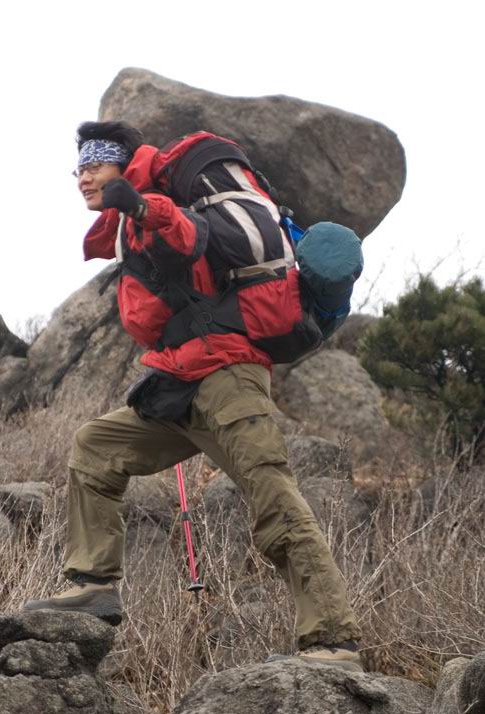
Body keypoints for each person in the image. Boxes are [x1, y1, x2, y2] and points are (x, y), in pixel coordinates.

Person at [24, 121, 363, 672]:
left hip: (229, 377)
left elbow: (185, 235)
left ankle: (333, 641)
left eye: (94, 165)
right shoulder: (128, 223)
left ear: (123, 166)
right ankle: (93, 584)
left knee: (273, 496)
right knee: (97, 446)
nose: (83, 177)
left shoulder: (158, 205)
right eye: (78, 169)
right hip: (180, 381)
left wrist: (141, 206)